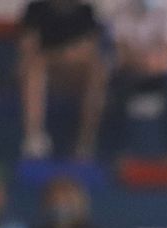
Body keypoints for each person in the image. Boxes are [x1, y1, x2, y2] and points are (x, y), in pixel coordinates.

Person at [16, 0, 106, 159]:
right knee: (34, 69)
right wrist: (63, 55)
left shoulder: (86, 12)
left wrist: (67, 56)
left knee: (97, 72)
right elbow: (29, 49)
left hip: (74, 75)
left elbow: (90, 50)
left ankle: (85, 143)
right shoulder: (36, 10)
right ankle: (34, 138)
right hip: (44, 71)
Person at [105, 0, 167, 155]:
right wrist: (143, 62)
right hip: (129, 73)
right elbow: (121, 53)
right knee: (115, 93)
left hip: (158, 75)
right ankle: (117, 150)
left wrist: (149, 63)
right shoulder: (122, 8)